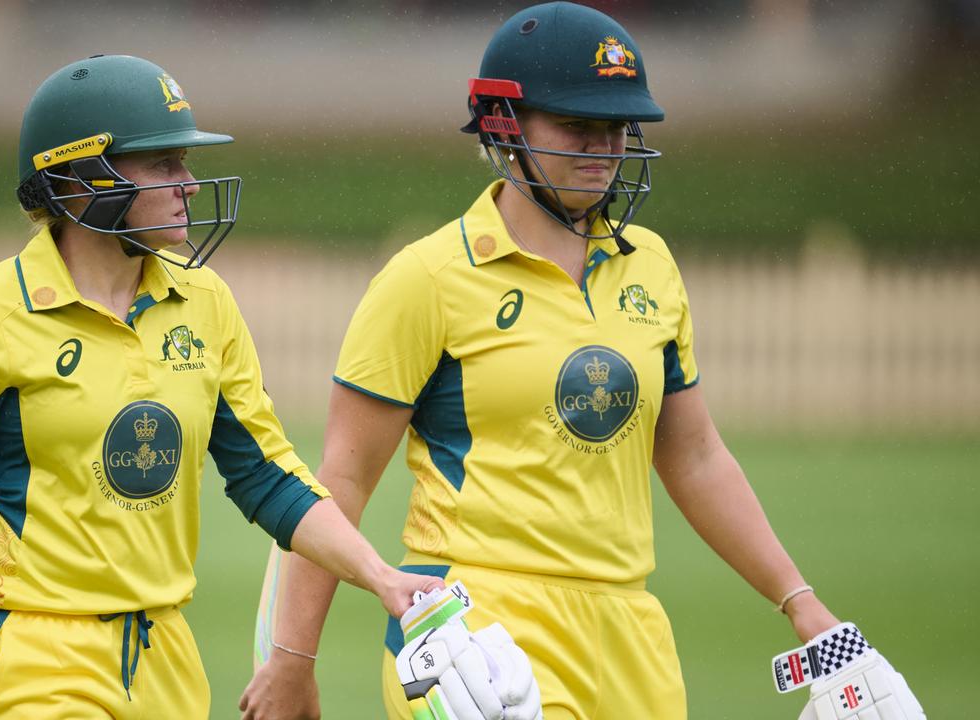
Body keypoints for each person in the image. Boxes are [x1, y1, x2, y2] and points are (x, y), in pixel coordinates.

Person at [238, 4, 898, 719]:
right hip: (477, 634)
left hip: (629, 632)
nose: (606, 148)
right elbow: (339, 481)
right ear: (503, 127)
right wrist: (292, 663)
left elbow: (697, 456)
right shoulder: (427, 278)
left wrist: (802, 605)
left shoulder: (650, 266)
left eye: (618, 128)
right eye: (579, 127)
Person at [0, 54, 441, 720]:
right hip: (24, 651)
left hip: (165, 656)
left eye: (186, 164)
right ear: (83, 177)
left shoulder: (205, 302)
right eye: (164, 164)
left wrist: (381, 577)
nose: (190, 185)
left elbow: (269, 478)